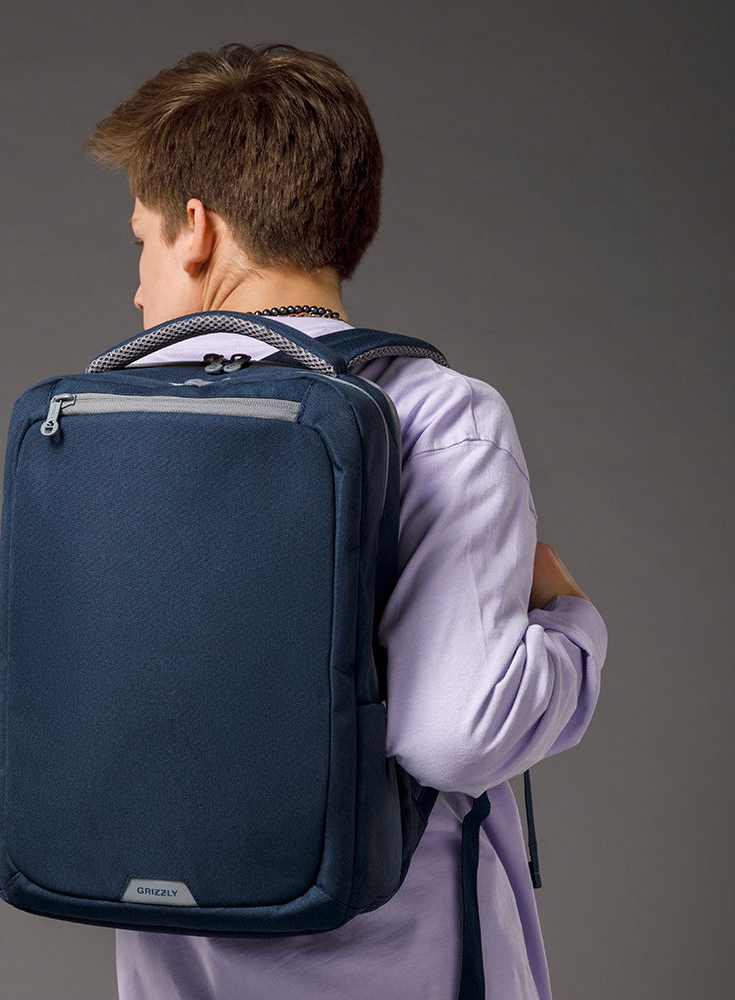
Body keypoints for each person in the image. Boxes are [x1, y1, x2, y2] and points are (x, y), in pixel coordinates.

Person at [85, 43, 606, 1000]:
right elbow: (457, 738)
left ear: (196, 230)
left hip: (175, 966)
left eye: (140, 242)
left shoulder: (106, 424)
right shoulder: (437, 416)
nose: (138, 286)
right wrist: (571, 625)